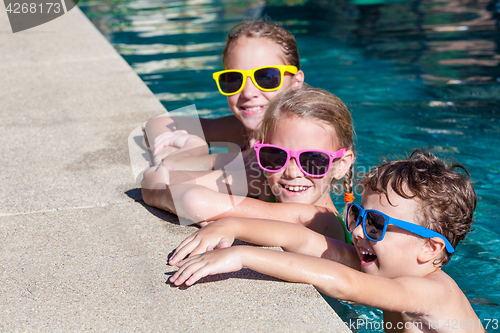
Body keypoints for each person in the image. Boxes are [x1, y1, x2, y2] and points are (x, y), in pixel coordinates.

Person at [168, 150, 485, 332]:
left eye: (375, 224)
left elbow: (343, 283)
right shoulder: (381, 266)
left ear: (429, 247)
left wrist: (243, 257)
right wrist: (233, 225)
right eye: (356, 215)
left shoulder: (432, 292)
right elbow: (303, 240)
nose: (358, 232)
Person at [143, 87, 355, 241]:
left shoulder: (318, 220)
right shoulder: (262, 177)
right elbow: (171, 172)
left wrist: (156, 191)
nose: (291, 171)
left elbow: (192, 200)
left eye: (313, 160)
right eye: (275, 155)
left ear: (341, 165)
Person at [142, 20, 304, 168]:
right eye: (234, 79)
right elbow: (160, 122)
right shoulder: (238, 130)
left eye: (266, 77)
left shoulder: (301, 146)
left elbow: (185, 193)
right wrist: (167, 150)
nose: (248, 92)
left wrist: (192, 150)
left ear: (296, 82)